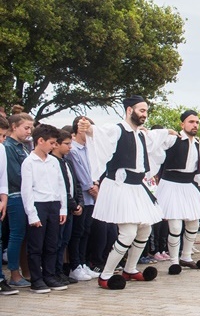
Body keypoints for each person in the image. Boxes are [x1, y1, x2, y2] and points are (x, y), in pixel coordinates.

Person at [80, 95, 162, 290]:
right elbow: (99, 134)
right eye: (141, 110)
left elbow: (157, 143)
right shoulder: (116, 129)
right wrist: (88, 128)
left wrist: (167, 132)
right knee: (128, 232)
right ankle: (106, 275)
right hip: (119, 186)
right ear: (129, 110)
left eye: (146, 111)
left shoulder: (140, 133)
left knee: (145, 229)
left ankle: (130, 269)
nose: (145, 114)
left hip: (136, 187)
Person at [148, 109, 200, 275]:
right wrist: (164, 132)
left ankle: (186, 256)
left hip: (188, 185)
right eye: (191, 122)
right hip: (171, 184)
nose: (195, 125)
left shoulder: (198, 144)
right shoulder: (172, 139)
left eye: (197, 122)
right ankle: (174, 261)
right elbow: (152, 143)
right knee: (176, 226)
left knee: (193, 223)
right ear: (182, 124)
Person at [20, 124, 67, 293]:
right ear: (40, 141)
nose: (54, 146)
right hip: (39, 205)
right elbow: (26, 190)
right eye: (52, 143)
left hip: (54, 205)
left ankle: (49, 275)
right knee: (36, 245)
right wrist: (32, 214)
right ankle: (36, 279)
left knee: (52, 244)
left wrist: (63, 209)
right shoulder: (29, 162)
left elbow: (61, 185)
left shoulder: (54, 161)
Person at [64, 116, 102, 280]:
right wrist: (90, 186)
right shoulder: (73, 151)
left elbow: (96, 168)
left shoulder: (89, 149)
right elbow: (79, 174)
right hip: (82, 196)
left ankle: (83, 263)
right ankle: (75, 265)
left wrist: (96, 183)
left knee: (86, 232)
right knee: (77, 233)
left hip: (91, 197)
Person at [51, 129, 86, 283]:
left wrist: (80, 203)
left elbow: (76, 184)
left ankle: (60, 272)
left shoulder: (67, 162)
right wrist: (72, 204)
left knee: (65, 241)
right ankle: (54, 272)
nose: (70, 147)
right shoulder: (53, 162)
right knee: (57, 242)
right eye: (66, 144)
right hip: (62, 208)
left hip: (71, 208)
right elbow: (61, 188)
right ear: (56, 145)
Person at [4, 112, 34, 288]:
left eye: (30, 127)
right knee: (16, 235)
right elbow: (15, 175)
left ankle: (26, 271)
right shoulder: (9, 147)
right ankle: (14, 274)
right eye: (26, 127)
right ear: (14, 127)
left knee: (24, 237)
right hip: (16, 195)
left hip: (26, 195)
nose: (29, 131)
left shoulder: (23, 146)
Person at [0, 116, 18, 294]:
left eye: (4, 136)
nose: (2, 139)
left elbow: (3, 178)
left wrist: (4, 199)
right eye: (0, 135)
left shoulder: (1, 149)